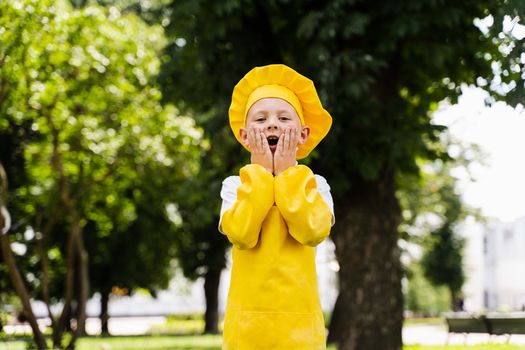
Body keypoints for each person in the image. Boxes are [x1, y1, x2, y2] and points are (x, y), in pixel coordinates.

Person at [219, 64, 335, 349]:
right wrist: (259, 174)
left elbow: (312, 232)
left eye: (284, 117)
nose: (272, 124)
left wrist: (286, 175)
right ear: (245, 136)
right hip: (246, 328)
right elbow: (241, 234)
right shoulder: (234, 186)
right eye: (260, 119)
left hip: (300, 329)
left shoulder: (316, 185)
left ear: (303, 134)